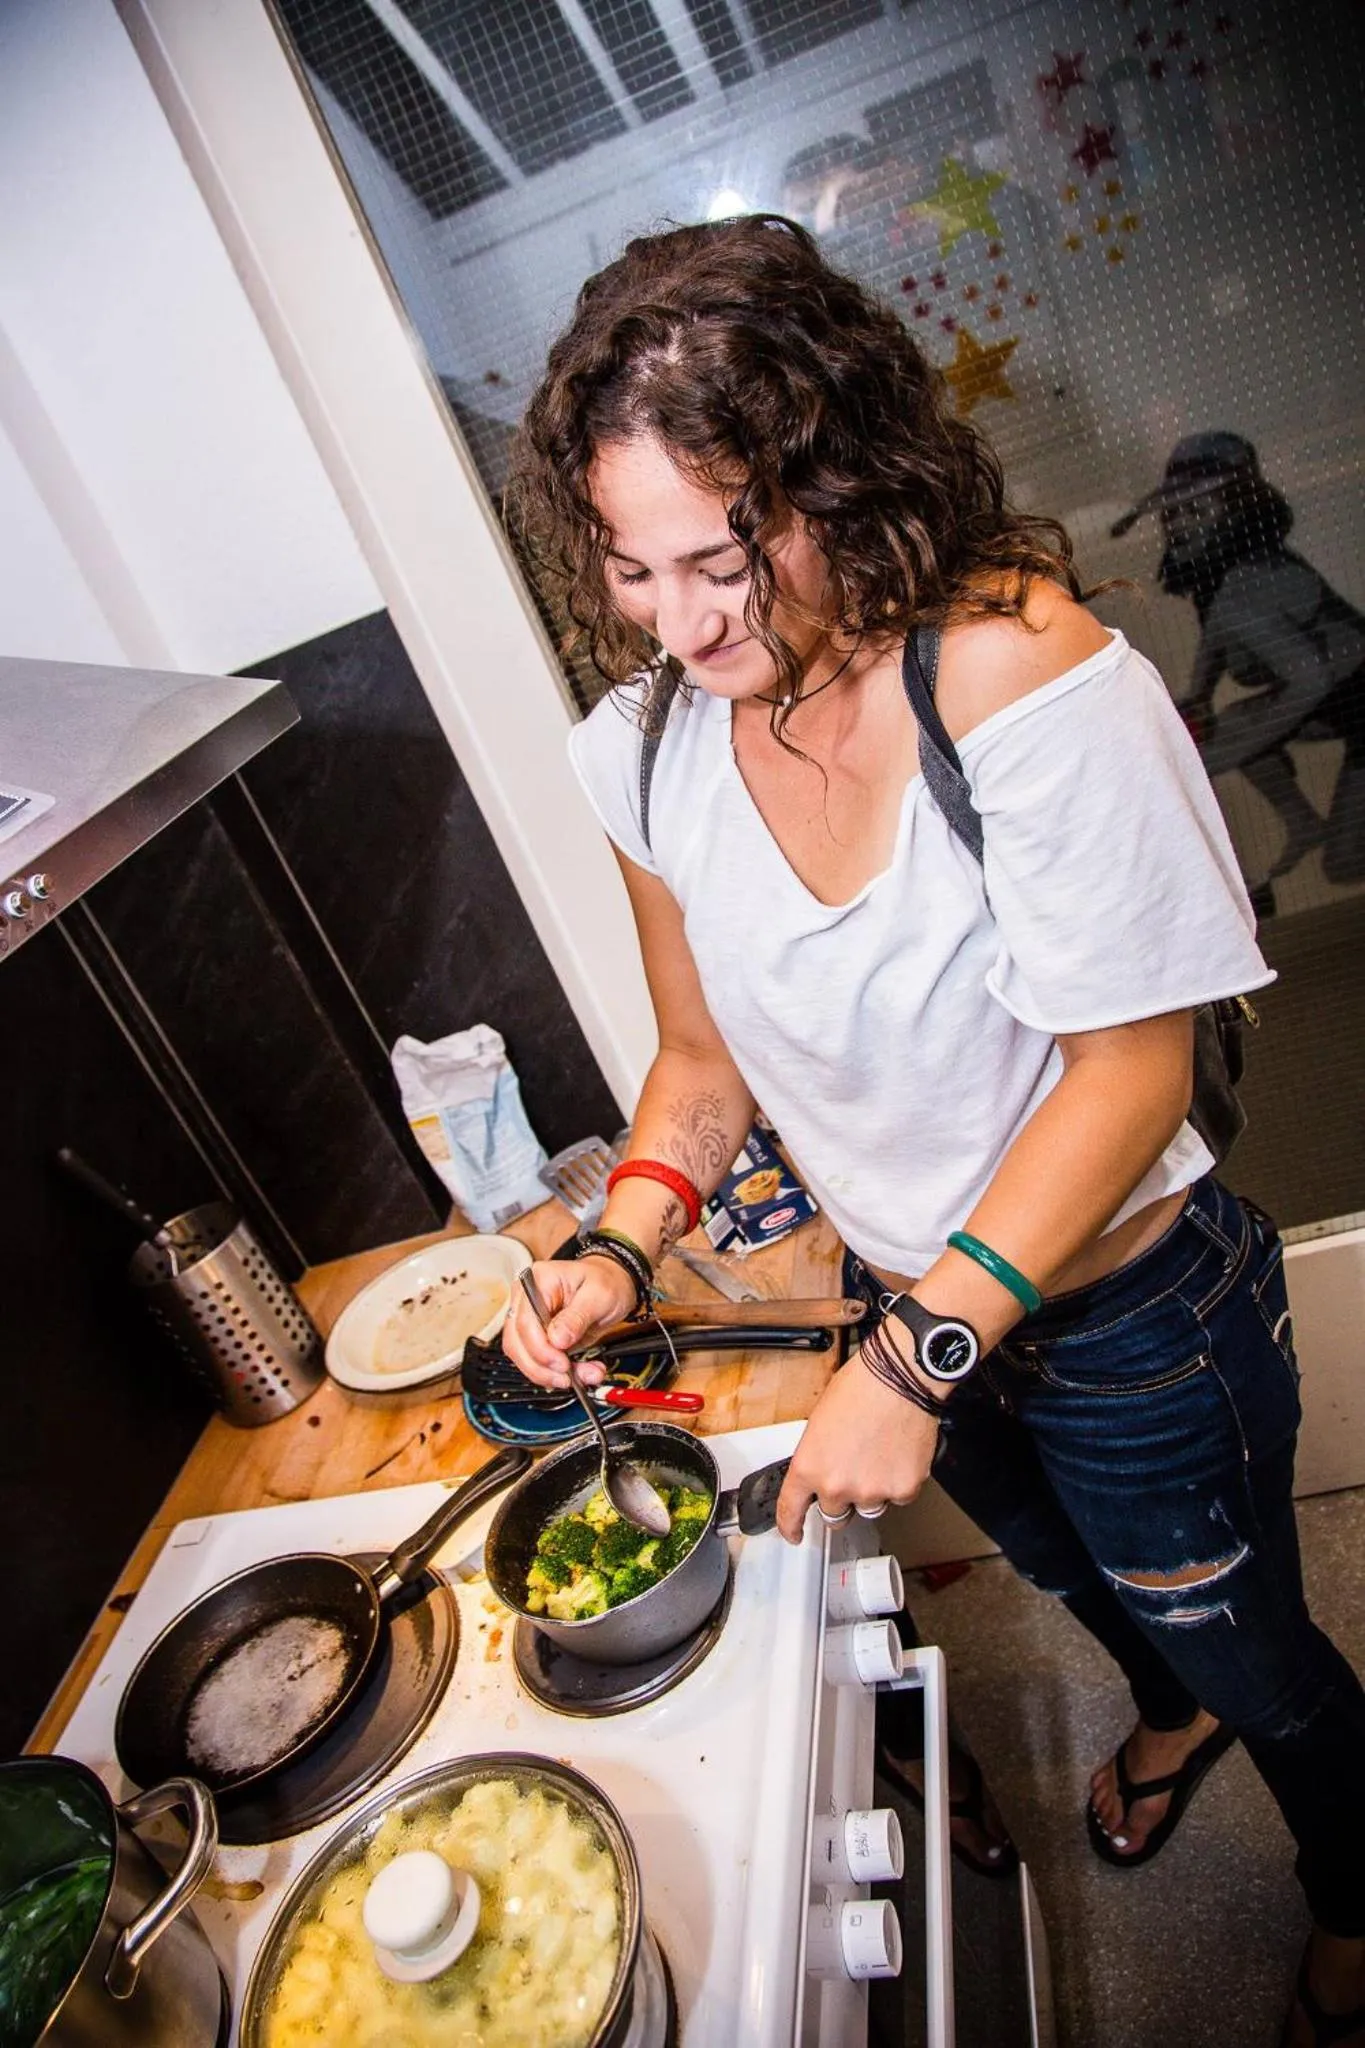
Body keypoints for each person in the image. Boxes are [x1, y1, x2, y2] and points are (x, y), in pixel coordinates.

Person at [501, 215, 1365, 2045]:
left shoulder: (1007, 669)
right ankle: (1170, 1704)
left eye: (727, 554)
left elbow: (1129, 1074)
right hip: (923, 1321)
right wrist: (617, 1238)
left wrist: (908, 1358)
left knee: (1251, 1641)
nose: (685, 623)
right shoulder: (647, 744)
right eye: (633, 571)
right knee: (1066, 1576)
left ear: (841, 473)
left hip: (1133, 1319)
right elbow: (695, 1061)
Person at [1113, 431, 1365, 899]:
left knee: (1346, 864)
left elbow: (1312, 680)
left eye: (1197, 510)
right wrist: (1199, 700)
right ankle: (1302, 822)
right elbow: (1217, 644)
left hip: (1349, 707)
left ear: (1240, 511)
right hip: (1339, 707)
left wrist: (1223, 755)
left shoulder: (1257, 581)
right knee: (1230, 727)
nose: (1180, 525)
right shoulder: (1226, 586)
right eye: (1172, 514)